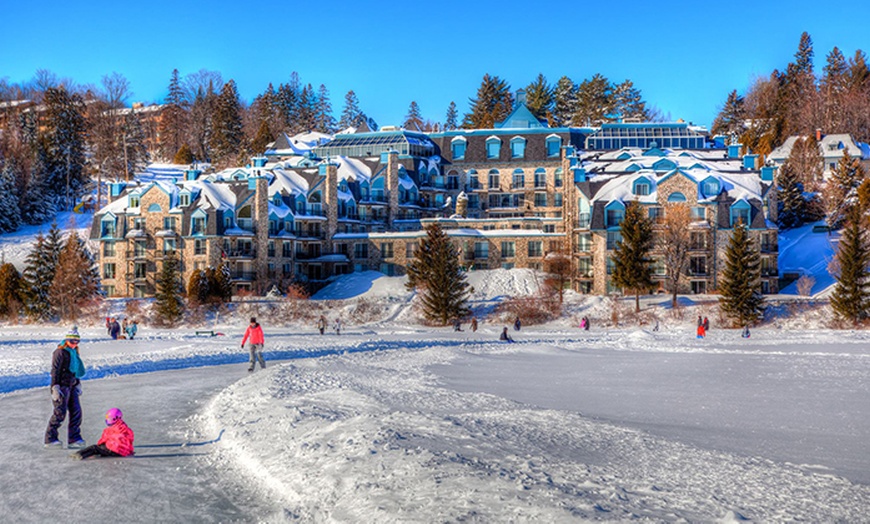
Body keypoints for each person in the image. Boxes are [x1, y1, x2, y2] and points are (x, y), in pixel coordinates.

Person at [45, 327, 86, 448]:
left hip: (71, 385)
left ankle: (74, 438)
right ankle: (50, 439)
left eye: (77, 341)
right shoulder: (59, 352)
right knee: (60, 413)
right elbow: (55, 371)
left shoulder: (74, 353)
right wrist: (54, 387)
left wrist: (77, 382)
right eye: (72, 341)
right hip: (61, 386)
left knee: (76, 412)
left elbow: (73, 371)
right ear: (67, 340)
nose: (75, 344)